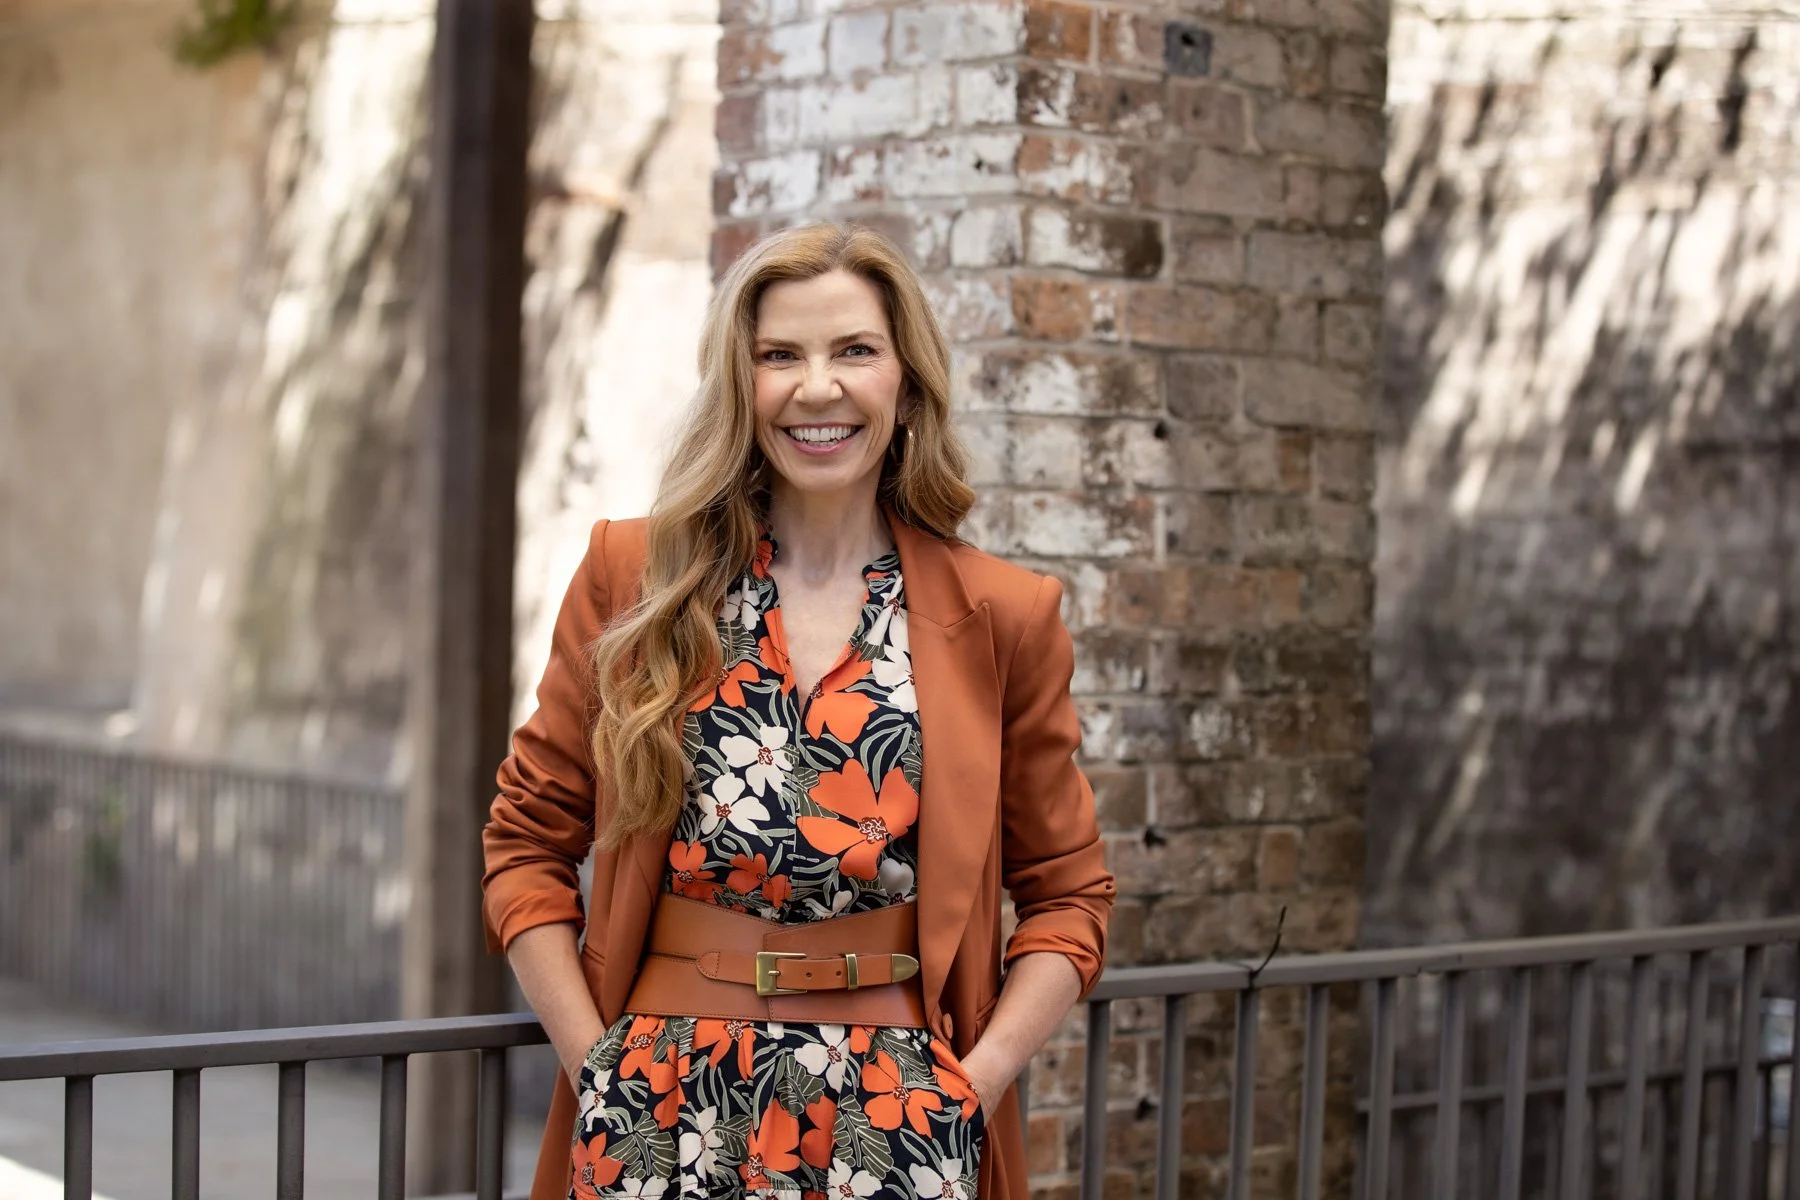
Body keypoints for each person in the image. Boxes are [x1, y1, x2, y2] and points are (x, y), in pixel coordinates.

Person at [482, 223, 1115, 1200]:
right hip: (659, 1107)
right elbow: (525, 845)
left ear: (906, 384)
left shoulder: (1004, 618)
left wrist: (971, 1088)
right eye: (780, 355)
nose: (816, 387)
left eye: (854, 351)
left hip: (898, 1117)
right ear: (743, 384)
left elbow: (1070, 898)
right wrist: (594, 1064)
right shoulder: (634, 578)